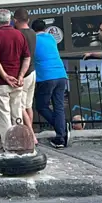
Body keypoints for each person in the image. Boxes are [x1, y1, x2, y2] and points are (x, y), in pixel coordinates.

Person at [0, 9, 31, 154]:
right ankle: (20, 144)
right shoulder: (19, 34)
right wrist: (21, 76)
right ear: (10, 20)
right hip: (17, 82)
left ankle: (8, 146)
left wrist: (5, 76)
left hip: (0, 83)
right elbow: (26, 57)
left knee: (3, 115)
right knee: (17, 113)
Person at [31, 19, 69, 149]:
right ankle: (61, 134)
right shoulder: (51, 38)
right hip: (61, 74)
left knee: (41, 106)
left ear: (32, 29)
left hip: (46, 76)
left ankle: (61, 129)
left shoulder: (33, 40)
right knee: (58, 106)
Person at [13, 8, 38, 143]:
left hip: (23, 73)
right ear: (28, 20)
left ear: (15, 20)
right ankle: (30, 132)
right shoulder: (33, 33)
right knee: (28, 105)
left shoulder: (17, 34)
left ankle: (30, 134)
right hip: (33, 71)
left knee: (20, 106)